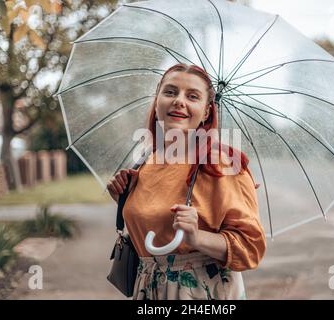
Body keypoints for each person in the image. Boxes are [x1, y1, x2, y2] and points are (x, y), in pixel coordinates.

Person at [107, 63, 266, 300]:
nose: (179, 100)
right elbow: (150, 232)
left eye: (192, 96)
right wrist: (124, 200)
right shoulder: (144, 162)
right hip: (149, 291)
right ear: (157, 100)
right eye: (170, 92)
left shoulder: (224, 166)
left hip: (202, 293)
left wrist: (196, 237)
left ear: (206, 112)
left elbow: (250, 249)